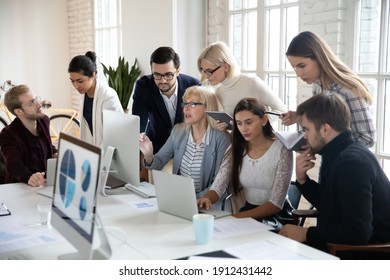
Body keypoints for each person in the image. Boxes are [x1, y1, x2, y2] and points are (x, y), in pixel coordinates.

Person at [279, 93, 390, 259]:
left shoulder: (351, 163)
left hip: (366, 252)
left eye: (306, 129)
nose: (304, 136)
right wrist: (303, 180)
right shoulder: (337, 154)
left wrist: (306, 233)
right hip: (342, 245)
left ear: (325, 129)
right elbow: (330, 205)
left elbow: (358, 232)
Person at [198, 98, 293, 229]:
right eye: (239, 123)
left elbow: (276, 204)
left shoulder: (283, 150)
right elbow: (218, 185)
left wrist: (234, 218)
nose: (244, 128)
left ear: (264, 120)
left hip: (277, 217)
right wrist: (207, 198)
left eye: (249, 122)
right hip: (248, 213)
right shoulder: (235, 149)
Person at [281, 31, 375, 147]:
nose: (298, 74)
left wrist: (326, 146)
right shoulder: (318, 87)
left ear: (319, 58)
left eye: (302, 66)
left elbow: (367, 138)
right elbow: (326, 127)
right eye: (295, 68)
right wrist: (300, 118)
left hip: (349, 163)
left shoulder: (348, 90)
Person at [139, 85, 231, 200]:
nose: (185, 109)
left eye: (192, 104)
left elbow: (218, 185)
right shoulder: (178, 131)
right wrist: (148, 154)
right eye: (184, 103)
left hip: (208, 204)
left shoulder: (222, 138)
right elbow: (158, 163)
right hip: (180, 199)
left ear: (208, 107)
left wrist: (192, 199)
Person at [197, 41, 287, 129]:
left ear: (226, 67)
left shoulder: (251, 82)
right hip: (239, 143)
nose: (206, 76)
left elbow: (281, 109)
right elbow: (236, 125)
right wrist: (225, 126)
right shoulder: (219, 92)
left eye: (209, 71)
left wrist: (258, 124)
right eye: (203, 71)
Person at [132, 47, 200, 153]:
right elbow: (139, 120)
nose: (163, 80)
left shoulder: (194, 86)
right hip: (157, 148)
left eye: (168, 75)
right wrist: (140, 136)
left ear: (178, 71)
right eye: (157, 75)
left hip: (189, 150)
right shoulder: (144, 86)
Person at [0, 84, 58, 187]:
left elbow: (46, 146)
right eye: (32, 102)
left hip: (43, 184)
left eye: (36, 99)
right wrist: (29, 177)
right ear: (19, 111)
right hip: (20, 186)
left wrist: (55, 153)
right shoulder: (7, 134)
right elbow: (13, 163)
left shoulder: (44, 120)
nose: (39, 104)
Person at [68, 51, 123, 147]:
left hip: (110, 154)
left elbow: (114, 136)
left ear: (93, 75)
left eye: (80, 81)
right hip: (94, 154)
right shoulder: (84, 97)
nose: (76, 86)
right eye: (72, 81)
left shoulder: (108, 97)